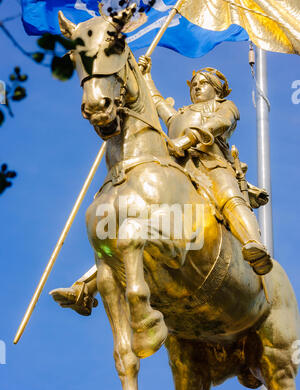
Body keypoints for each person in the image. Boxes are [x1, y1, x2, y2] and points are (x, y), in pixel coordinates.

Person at [50, 58, 272, 315]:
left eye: (204, 84)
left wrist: (187, 140)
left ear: (217, 90)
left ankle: (253, 245)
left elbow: (219, 124)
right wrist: (146, 75)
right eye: (195, 84)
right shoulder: (178, 115)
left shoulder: (224, 106)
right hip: (179, 173)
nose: (197, 88)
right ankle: (85, 288)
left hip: (211, 167)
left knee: (229, 198)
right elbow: (155, 102)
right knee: (134, 220)